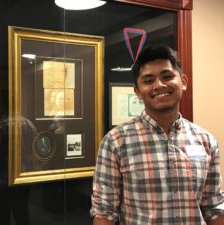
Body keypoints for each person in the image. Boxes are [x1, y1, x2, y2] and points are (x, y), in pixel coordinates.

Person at [90, 44, 224, 225]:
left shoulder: (205, 140)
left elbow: (214, 208)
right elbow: (104, 212)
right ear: (137, 91)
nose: (159, 85)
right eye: (148, 80)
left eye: (167, 77)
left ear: (183, 82)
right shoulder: (116, 141)